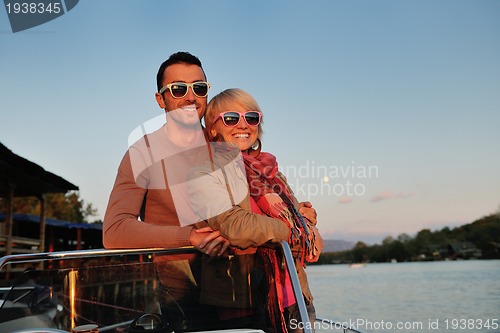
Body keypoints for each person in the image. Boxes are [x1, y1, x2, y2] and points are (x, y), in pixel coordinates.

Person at [103, 52, 319, 331]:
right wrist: (189, 237)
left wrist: (297, 213)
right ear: (161, 99)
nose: (190, 97)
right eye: (178, 89)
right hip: (186, 297)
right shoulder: (143, 154)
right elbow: (115, 230)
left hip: (254, 287)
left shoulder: (225, 138)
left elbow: (260, 197)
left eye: (199, 88)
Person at [189, 88, 324, 333]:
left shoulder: (272, 172)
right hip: (242, 302)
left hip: (295, 295)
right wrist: (294, 226)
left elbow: (302, 226)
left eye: (251, 117)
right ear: (212, 128)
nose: (243, 124)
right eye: (231, 118)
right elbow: (235, 225)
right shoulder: (203, 171)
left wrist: (306, 223)